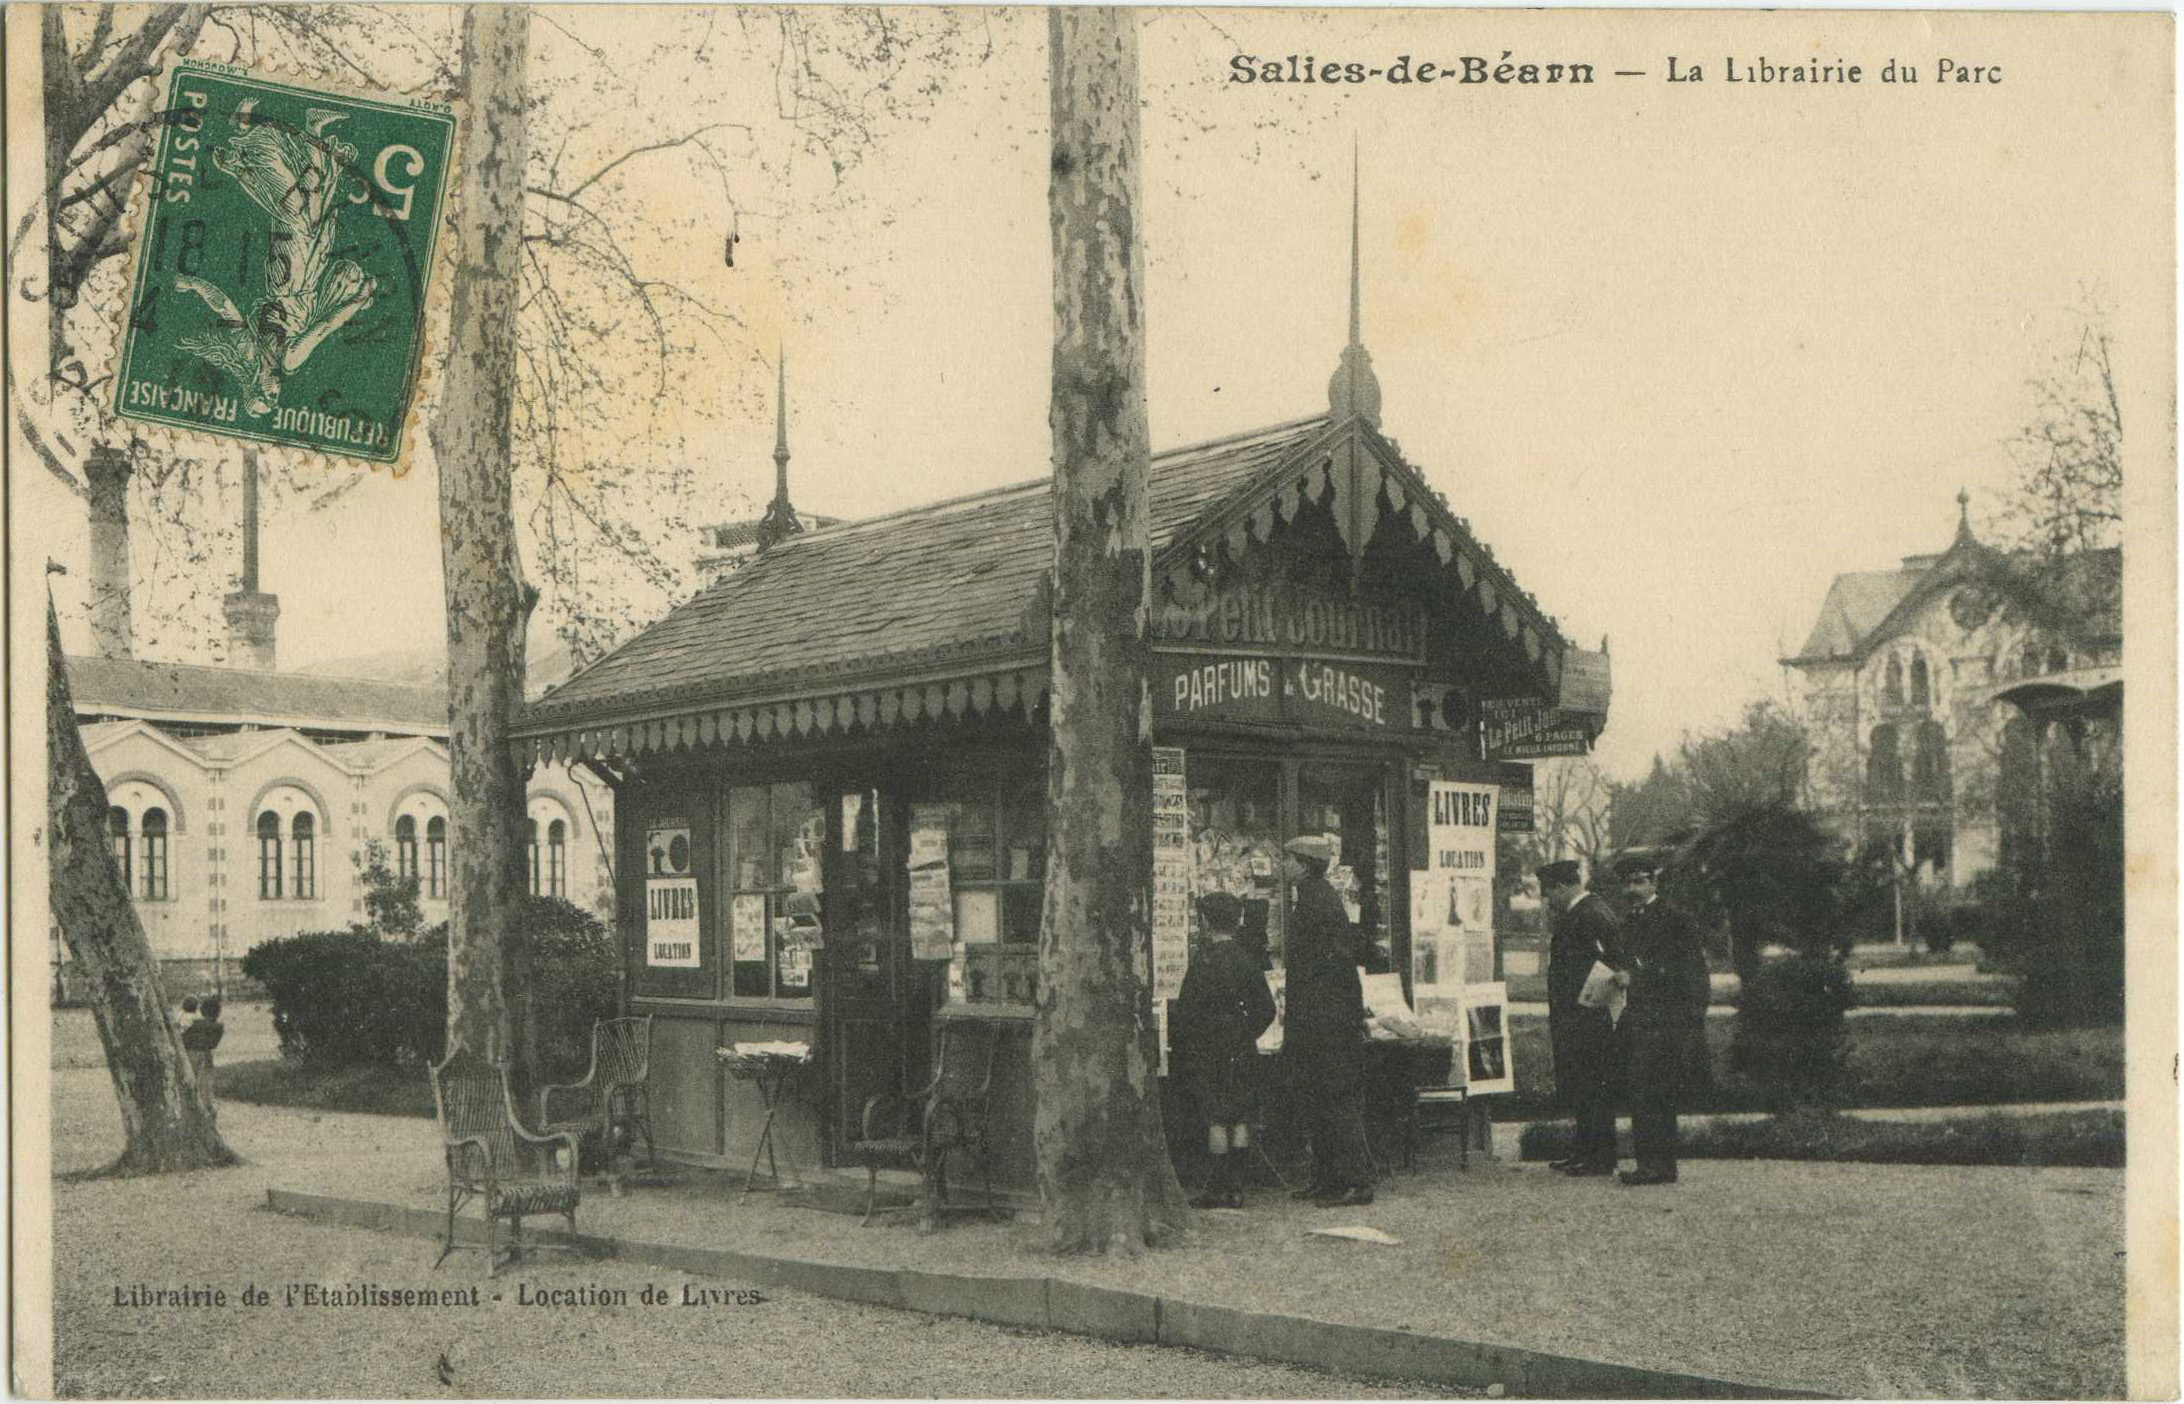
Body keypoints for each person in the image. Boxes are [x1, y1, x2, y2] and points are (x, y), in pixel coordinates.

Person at [1279, 835, 1377, 1207]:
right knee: (1319, 1099)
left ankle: (1355, 1181)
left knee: (1335, 1100)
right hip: (1320, 1018)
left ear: (1304, 865)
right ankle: (1328, 1178)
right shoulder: (1314, 897)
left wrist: (1342, 1015)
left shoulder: (1316, 902)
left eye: (1288, 860)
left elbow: (1336, 966)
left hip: (1327, 1022)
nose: (1283, 866)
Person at [1174, 892, 1278, 1209]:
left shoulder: (1203, 962)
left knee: (1216, 1117)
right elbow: (1267, 1009)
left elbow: (1186, 1010)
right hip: (1241, 1046)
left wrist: (1195, 1040)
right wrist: (1247, 1032)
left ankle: (1216, 1187)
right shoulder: (1247, 962)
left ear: (1206, 921)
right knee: (1241, 1116)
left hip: (1210, 1047)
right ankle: (1236, 1187)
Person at [1613, 854, 1710, 1185]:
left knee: (1657, 1091)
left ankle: (1660, 1164)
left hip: (1667, 1018)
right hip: (1639, 1018)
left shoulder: (1675, 920)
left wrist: (1636, 979)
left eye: (1639, 881)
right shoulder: (1628, 923)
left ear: (1654, 882)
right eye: (1628, 883)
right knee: (1641, 1090)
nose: (1633, 889)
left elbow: (1689, 972)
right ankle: (1651, 1163)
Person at [1538, 859, 1625, 1177]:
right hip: (1576, 1015)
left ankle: (1600, 1157)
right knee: (1583, 1085)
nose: (1547, 899)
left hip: (1588, 1015)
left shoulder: (1591, 914)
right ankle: (1584, 1151)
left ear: (1562, 886)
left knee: (1594, 1085)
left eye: (1548, 892)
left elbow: (1613, 960)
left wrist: (1592, 1000)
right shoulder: (1583, 912)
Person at [181, 996, 226, 1118]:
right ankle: (209, 1110)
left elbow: (182, 1039)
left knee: (191, 1082)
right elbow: (213, 1045)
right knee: (206, 1085)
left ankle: (192, 1112)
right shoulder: (218, 1027)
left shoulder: (193, 1024)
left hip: (191, 1055)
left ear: (201, 1011)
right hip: (207, 1055)